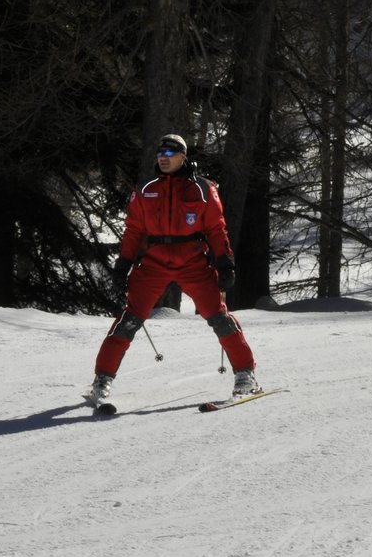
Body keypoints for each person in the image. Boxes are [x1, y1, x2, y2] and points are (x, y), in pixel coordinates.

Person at [86, 134, 259, 409]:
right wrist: (123, 265)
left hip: (193, 262)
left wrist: (225, 263)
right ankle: (101, 383)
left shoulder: (203, 189)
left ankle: (245, 376)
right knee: (129, 321)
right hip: (153, 263)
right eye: (160, 152)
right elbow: (133, 231)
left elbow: (216, 229)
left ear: (183, 156)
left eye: (171, 151)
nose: (163, 157)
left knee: (219, 318)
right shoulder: (145, 190)